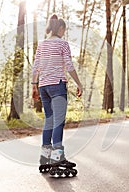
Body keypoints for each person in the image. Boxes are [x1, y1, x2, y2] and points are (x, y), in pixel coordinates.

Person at [32, 14, 83, 177]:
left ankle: (45, 157)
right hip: (57, 86)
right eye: (64, 30)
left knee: (49, 121)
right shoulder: (63, 44)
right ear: (60, 28)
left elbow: (36, 66)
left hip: (43, 87)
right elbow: (68, 65)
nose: (64, 33)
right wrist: (79, 83)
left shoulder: (42, 44)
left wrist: (34, 85)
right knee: (58, 123)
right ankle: (57, 157)